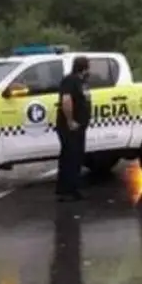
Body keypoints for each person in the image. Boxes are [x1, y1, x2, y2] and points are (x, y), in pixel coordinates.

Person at [55, 56, 91, 202]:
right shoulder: (70, 80)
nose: (90, 69)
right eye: (88, 66)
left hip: (78, 126)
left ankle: (71, 189)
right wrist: (70, 120)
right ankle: (68, 191)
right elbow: (66, 100)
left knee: (75, 158)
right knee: (70, 158)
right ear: (83, 67)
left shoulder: (81, 82)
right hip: (70, 127)